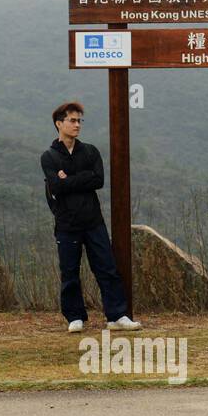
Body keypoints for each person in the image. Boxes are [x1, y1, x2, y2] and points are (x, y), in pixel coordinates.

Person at [41, 101, 141, 333]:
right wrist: (78, 178)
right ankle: (75, 317)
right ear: (59, 124)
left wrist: (69, 180)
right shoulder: (49, 157)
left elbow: (98, 180)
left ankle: (117, 316)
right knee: (70, 272)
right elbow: (56, 186)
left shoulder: (90, 151)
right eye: (72, 120)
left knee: (107, 267)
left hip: (93, 220)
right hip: (66, 223)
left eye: (79, 121)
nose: (77, 125)